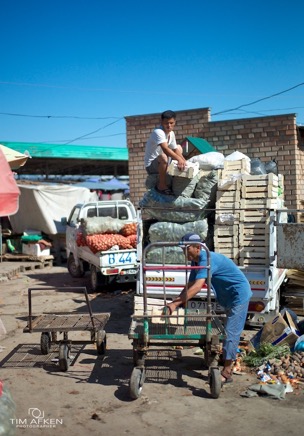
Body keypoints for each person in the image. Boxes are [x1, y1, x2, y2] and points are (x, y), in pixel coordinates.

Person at [164, 232, 252, 384]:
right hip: (227, 296)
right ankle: (224, 358)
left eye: (186, 248)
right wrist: (177, 302)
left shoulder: (207, 258)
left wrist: (175, 303)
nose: (184, 252)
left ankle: (227, 370)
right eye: (182, 249)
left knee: (231, 333)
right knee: (226, 331)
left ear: (197, 247)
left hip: (239, 296)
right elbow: (190, 284)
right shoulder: (196, 261)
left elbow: (198, 287)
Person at [144, 110, 186, 195]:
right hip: (152, 165)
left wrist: (184, 161)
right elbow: (165, 149)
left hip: (164, 162)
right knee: (163, 156)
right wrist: (179, 159)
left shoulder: (172, 133)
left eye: (171, 123)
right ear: (161, 122)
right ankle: (162, 185)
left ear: (175, 122)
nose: (169, 125)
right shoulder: (158, 132)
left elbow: (175, 149)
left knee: (179, 147)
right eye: (166, 123)